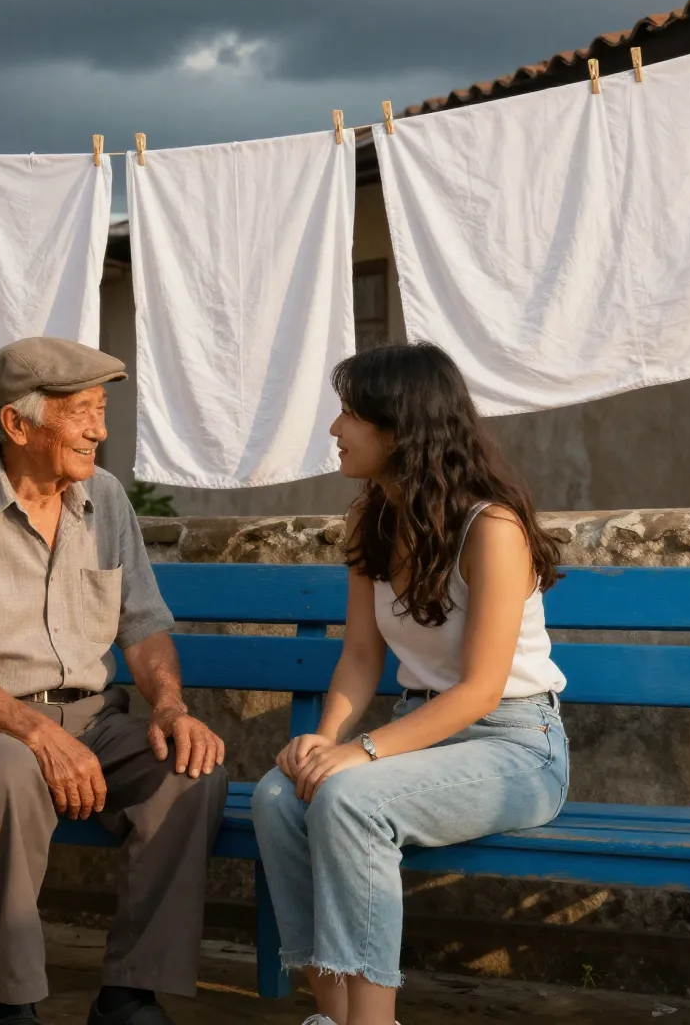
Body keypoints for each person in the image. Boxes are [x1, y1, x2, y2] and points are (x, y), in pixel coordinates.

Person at [0, 336, 230, 1025]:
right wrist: (35, 734)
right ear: (18, 425)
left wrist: (169, 706)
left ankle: (130, 994)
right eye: (81, 412)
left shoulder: (105, 499)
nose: (100, 431)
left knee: (191, 773)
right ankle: (12, 1003)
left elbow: (142, 623)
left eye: (102, 409)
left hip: (94, 722)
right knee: (6, 774)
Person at [250, 343, 571, 1025]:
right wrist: (324, 739)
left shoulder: (493, 529)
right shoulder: (372, 519)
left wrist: (359, 755)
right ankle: (338, 1015)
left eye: (348, 415)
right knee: (280, 795)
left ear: (399, 428)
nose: (334, 430)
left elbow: (483, 689)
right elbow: (362, 658)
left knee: (350, 799)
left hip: (518, 747)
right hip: (422, 738)